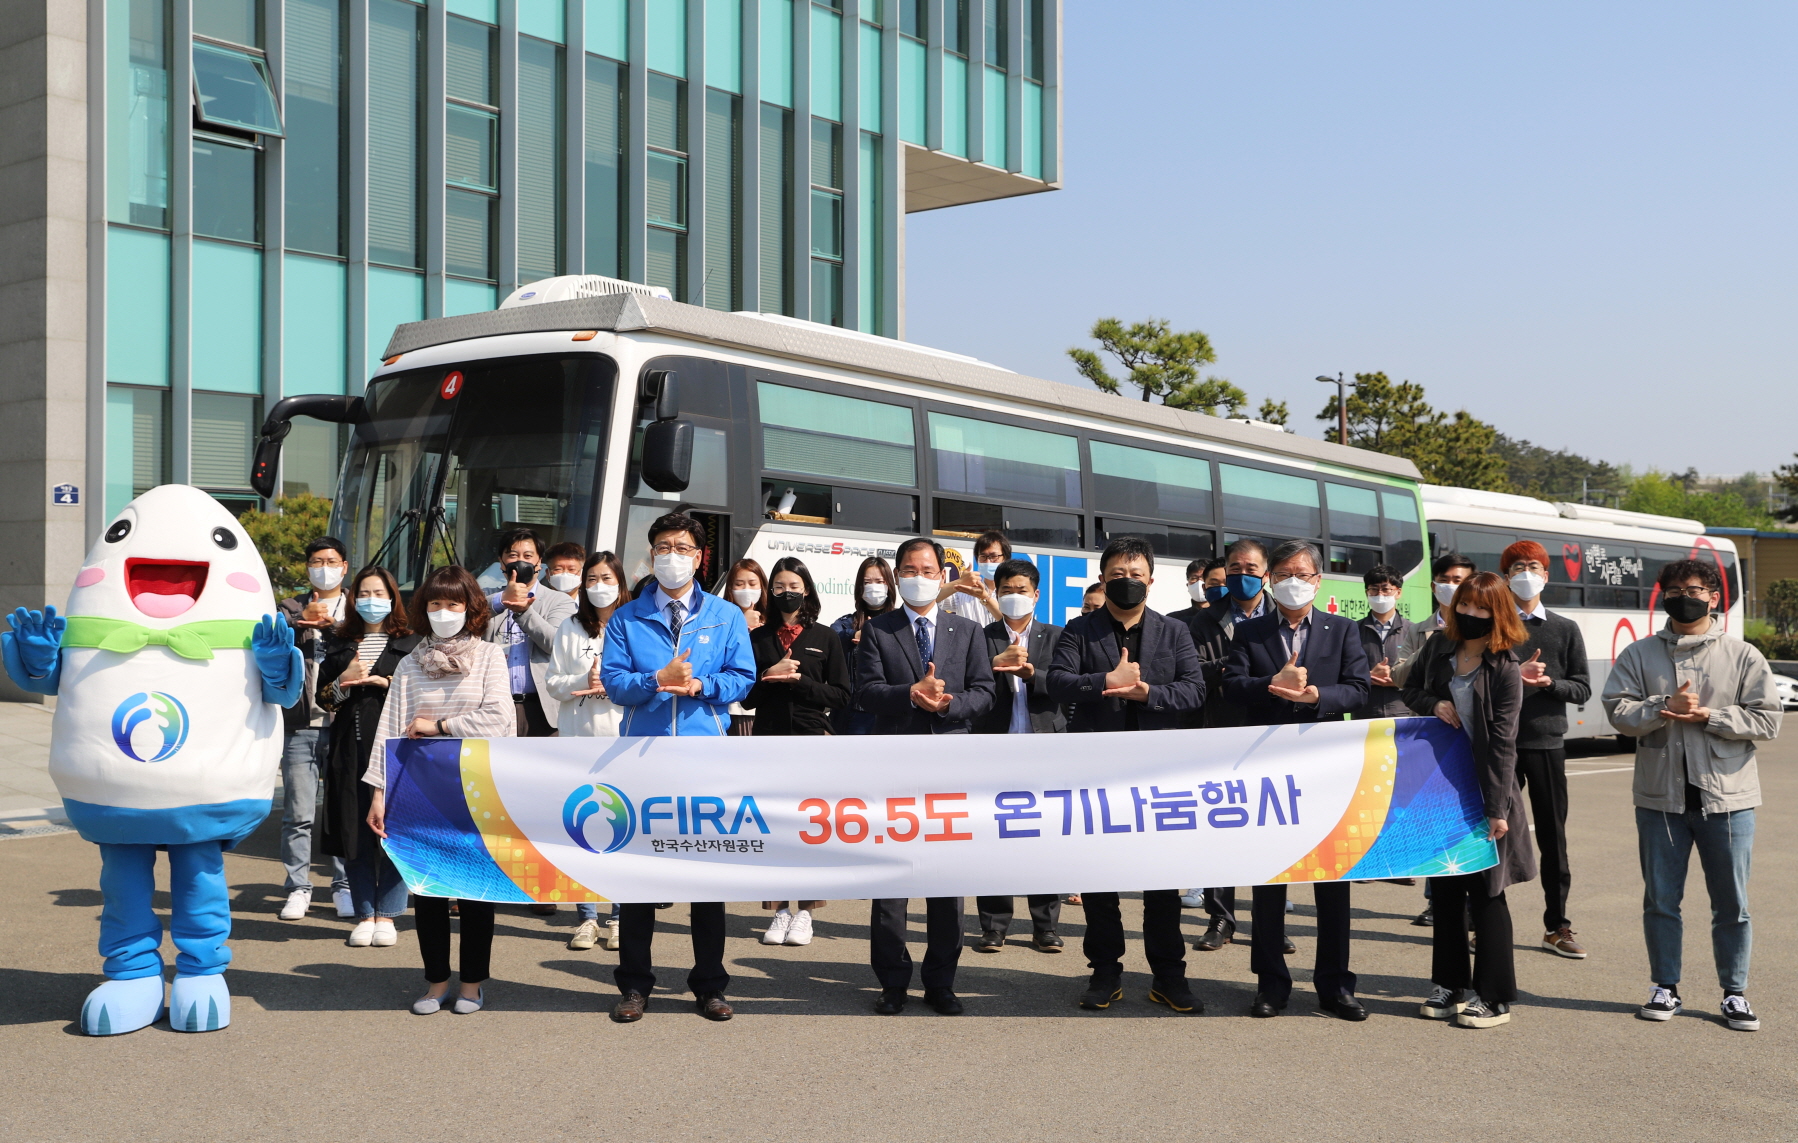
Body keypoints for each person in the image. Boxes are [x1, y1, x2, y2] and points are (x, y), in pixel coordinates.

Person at [1603, 558, 1782, 1033]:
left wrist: (1711, 717)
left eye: (1696, 589)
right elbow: (1617, 712)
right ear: (1663, 595)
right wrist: (1663, 706)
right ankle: (1665, 986)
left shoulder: (1743, 655)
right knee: (1661, 899)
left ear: (1714, 597)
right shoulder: (1639, 654)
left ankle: (1735, 993)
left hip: (1728, 798)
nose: (1686, 595)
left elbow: (1768, 719)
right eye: (1676, 588)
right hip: (1660, 797)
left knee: (1732, 903)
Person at [600, 513, 756, 1023]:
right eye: (663, 546)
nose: (673, 555)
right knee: (640, 878)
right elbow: (615, 684)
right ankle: (634, 986)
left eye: (682, 547)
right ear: (651, 555)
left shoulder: (726, 615)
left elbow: (743, 678)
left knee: (704, 879)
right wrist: (656, 680)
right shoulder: (626, 618)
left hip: (703, 759)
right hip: (640, 763)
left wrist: (702, 687)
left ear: (698, 556)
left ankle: (709, 984)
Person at [1045, 536, 1206, 1014]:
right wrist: (1104, 684)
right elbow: (1056, 680)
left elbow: (1193, 692)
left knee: (1161, 882)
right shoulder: (1079, 630)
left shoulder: (1174, 632)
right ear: (1102, 578)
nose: (1127, 583)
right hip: (1097, 772)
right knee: (1100, 879)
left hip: (1158, 774)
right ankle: (1105, 972)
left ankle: (1168, 975)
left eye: (1136, 575)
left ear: (1152, 582)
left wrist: (1146, 693)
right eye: (1117, 575)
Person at [1223, 539, 1371, 1022]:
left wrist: (1315, 697)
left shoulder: (1343, 630)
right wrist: (1272, 686)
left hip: (1327, 773)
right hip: (1269, 772)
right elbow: (1231, 686)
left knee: (1332, 880)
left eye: (1301, 574)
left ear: (1317, 580)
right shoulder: (1250, 632)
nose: (1292, 582)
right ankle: (1271, 984)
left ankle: (1335, 985)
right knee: (1271, 880)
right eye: (1283, 573)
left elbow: (1359, 689)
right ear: (1271, 579)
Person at [853, 537, 997, 1015]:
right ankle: (892, 981)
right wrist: (909, 694)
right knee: (891, 882)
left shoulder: (967, 630)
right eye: (909, 569)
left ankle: (941, 982)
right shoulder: (879, 630)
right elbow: (867, 692)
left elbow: (985, 692)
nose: (919, 576)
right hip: (894, 770)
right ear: (898, 576)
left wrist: (952, 703)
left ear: (942, 575)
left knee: (945, 883)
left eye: (928, 569)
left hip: (950, 772)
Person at [365, 566, 516, 1015]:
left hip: (476, 785)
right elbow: (389, 728)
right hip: (418, 790)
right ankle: (435, 982)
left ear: (470, 608)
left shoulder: (490, 655)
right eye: (434, 603)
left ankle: (471, 984)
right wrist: (378, 791)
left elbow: (500, 719)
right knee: (428, 892)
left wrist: (440, 726)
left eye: (453, 603)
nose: (443, 612)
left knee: (474, 891)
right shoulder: (410, 661)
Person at [1401, 571, 1535, 1029]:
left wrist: (1497, 808)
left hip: (1486, 792)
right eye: (1464, 605)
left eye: (1482, 608)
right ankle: (1450, 984)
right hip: (1438, 790)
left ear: (1498, 614)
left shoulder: (1505, 668)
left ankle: (1493, 996)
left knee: (1487, 893)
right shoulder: (1439, 649)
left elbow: (1504, 742)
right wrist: (1432, 703)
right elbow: (1409, 689)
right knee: (1445, 887)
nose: (1470, 614)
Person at [744, 557, 851, 948]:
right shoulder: (757, 638)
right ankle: (778, 910)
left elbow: (841, 694)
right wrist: (769, 676)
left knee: (809, 826)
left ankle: (805, 912)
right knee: (773, 825)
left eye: (793, 585)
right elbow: (747, 697)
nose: (786, 592)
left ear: (805, 589)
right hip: (769, 739)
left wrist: (801, 681)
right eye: (778, 586)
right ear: (770, 593)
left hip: (812, 739)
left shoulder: (825, 637)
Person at [317, 566, 421, 948]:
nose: (371, 600)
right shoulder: (341, 643)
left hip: (398, 752)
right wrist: (345, 680)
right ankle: (365, 913)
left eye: (379, 593)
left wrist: (384, 682)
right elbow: (323, 698)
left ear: (393, 598)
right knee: (354, 831)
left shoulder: (411, 643)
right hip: (349, 749)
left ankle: (389, 913)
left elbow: (420, 696)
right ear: (353, 598)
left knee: (392, 832)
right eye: (364, 593)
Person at [1499, 540, 1594, 959]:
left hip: (1546, 743)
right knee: (1492, 832)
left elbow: (1583, 687)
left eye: (1533, 566)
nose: (1525, 572)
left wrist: (1549, 684)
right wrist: (1513, 676)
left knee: (1553, 837)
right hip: (1499, 745)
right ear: (1505, 576)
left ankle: (1557, 925)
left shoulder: (1564, 628)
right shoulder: (1492, 625)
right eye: (1517, 566)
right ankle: (1479, 921)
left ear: (1546, 575)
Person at [972, 558, 1067, 954]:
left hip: (1044, 749)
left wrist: (1033, 675)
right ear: (996, 593)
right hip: (995, 748)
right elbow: (970, 685)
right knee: (994, 838)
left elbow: (1067, 684)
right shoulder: (979, 636)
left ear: (1037, 595)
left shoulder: (1058, 636)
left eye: (1021, 590)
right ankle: (994, 926)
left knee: (1044, 839)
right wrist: (995, 668)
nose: (1014, 597)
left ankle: (1045, 925)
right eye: (1006, 590)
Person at [1178, 539, 1270, 942]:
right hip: (1221, 730)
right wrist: (1235, 661)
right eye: (1235, 568)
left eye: (1251, 569)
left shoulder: (1282, 615)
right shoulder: (1203, 621)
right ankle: (1221, 917)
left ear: (1266, 573)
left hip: (1272, 732)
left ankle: (1271, 922)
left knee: (1270, 827)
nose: (1242, 576)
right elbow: (1194, 673)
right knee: (1221, 827)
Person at [545, 551, 628, 953]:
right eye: (591, 579)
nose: (599, 586)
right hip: (578, 741)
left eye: (606, 578)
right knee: (581, 831)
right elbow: (554, 683)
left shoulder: (634, 624)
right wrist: (584, 677)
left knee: (624, 829)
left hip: (623, 741)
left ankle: (619, 917)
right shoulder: (570, 626)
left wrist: (613, 682)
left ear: (620, 582)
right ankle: (587, 918)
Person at [274, 537, 354, 921]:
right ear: (307, 567)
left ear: (344, 566)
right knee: (298, 811)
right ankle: (299, 887)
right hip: (300, 723)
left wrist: (334, 625)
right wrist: (298, 620)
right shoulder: (290, 605)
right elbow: (268, 638)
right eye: (317, 561)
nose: (324, 567)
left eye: (332, 561)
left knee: (341, 810)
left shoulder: (358, 605)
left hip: (344, 723)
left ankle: (343, 885)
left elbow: (374, 641)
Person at [1398, 550, 1476, 927]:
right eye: (1445, 580)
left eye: (1460, 580)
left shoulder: (1497, 640)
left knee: (1473, 828)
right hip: (1433, 743)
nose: (1452, 588)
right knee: (1436, 822)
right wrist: (1434, 698)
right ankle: (1437, 900)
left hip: (1478, 752)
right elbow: (1406, 681)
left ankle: (1475, 909)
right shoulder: (1425, 633)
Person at [484, 529, 578, 740]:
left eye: (527, 556)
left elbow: (557, 644)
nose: (520, 562)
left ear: (539, 563)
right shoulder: (486, 597)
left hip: (543, 709)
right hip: (493, 707)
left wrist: (523, 611)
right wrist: (502, 600)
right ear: (501, 562)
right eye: (512, 556)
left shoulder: (560, 601)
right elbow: (468, 621)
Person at [830, 556, 896, 734]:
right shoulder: (845, 624)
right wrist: (854, 634)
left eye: (879, 581)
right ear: (860, 588)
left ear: (889, 584)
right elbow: (832, 640)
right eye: (867, 582)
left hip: (891, 711)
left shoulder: (901, 622)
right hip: (853, 715)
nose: (873, 587)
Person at [1353, 564, 1420, 719]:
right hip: (1365, 716)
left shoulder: (1414, 631)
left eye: (1385, 589)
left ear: (1398, 592)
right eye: (1374, 589)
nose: (1380, 594)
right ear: (1367, 593)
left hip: (1404, 714)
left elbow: (1425, 674)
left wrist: (1397, 678)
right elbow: (1342, 673)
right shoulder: (1353, 631)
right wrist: (1367, 676)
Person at [723, 558, 771, 735]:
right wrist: (742, 624)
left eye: (752, 584)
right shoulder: (720, 618)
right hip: (730, 707)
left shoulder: (772, 621)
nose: (746, 590)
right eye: (739, 584)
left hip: (760, 707)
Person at [939, 530, 1010, 623]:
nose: (988, 562)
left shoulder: (1014, 590)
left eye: (994, 556)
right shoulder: (966, 591)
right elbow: (932, 598)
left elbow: (1012, 625)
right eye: (983, 556)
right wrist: (959, 582)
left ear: (1005, 558)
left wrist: (985, 598)